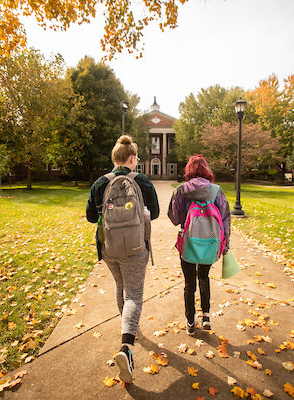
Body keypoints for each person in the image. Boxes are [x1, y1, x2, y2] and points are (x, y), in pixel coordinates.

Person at [86, 135, 159, 384]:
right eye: (136, 158)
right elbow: (156, 213)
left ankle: (127, 325)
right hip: (136, 248)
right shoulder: (142, 181)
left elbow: (89, 216)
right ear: (131, 158)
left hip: (109, 248)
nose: (136, 161)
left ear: (113, 158)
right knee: (134, 295)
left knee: (120, 286)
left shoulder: (99, 183)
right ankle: (126, 346)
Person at [168, 154, 231, 335]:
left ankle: (190, 321)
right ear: (206, 170)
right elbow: (226, 219)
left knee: (189, 283)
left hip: (188, 242)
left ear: (189, 171)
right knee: (203, 276)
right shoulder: (216, 191)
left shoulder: (181, 190)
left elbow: (173, 218)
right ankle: (206, 316)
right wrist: (224, 245)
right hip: (210, 242)